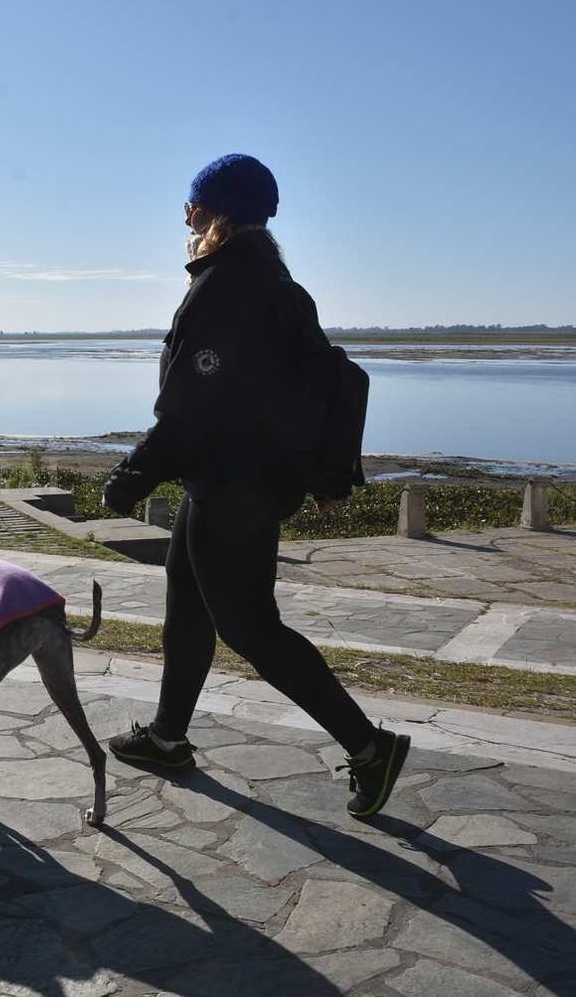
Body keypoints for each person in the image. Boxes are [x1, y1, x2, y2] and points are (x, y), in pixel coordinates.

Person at [100, 153, 410, 819]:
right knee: (186, 600)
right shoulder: (275, 282)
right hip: (230, 481)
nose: (182, 213)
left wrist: (128, 479)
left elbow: (189, 408)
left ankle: (368, 747)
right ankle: (166, 736)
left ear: (214, 213)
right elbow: (300, 386)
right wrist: (318, 473)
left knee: (250, 627)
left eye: (191, 203)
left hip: (232, 486)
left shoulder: (226, 288)